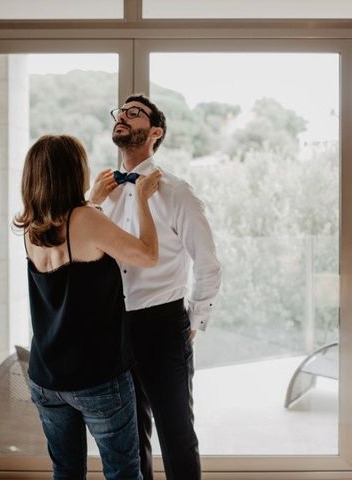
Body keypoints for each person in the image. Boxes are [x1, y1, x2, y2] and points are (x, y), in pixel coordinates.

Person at [13, 134, 162, 480]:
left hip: (46, 379)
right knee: (123, 472)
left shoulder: (31, 226)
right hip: (97, 378)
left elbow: (76, 246)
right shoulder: (86, 220)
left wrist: (94, 201)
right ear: (73, 172)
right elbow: (148, 255)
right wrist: (142, 199)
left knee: (66, 472)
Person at [89, 94, 222, 480]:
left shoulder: (177, 192)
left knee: (176, 433)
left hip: (164, 325)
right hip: (114, 327)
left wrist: (193, 322)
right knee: (129, 437)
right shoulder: (99, 195)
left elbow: (209, 264)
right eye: (120, 112)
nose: (123, 117)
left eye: (135, 113)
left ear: (155, 132)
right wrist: (92, 202)